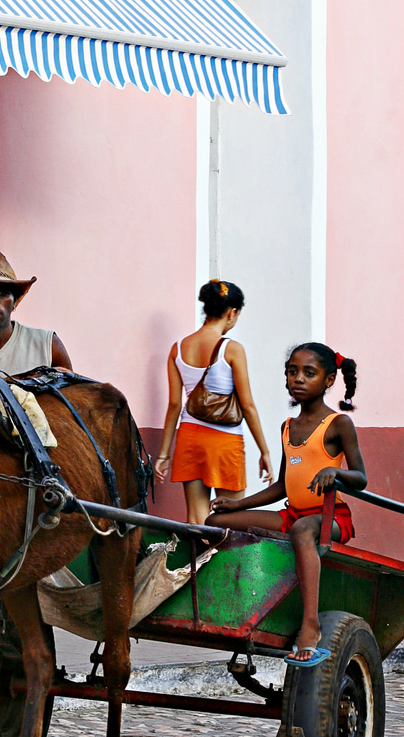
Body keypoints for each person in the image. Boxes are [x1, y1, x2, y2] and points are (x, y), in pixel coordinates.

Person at [207, 342, 367, 666]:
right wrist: (236, 506)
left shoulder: (338, 424)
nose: (298, 379)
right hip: (291, 515)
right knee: (213, 524)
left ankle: (310, 626)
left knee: (303, 530)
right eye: (292, 372)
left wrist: (334, 471)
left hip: (329, 518)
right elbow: (283, 485)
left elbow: (361, 477)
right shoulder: (287, 427)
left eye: (309, 373)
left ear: (329, 380)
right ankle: (242, 603)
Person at [154, 279, 273, 526]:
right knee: (232, 520)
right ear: (232, 313)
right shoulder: (232, 349)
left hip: (189, 439)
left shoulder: (178, 348)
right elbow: (247, 406)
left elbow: (175, 405)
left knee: (196, 521)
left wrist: (164, 454)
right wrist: (264, 450)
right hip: (224, 442)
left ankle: (198, 565)